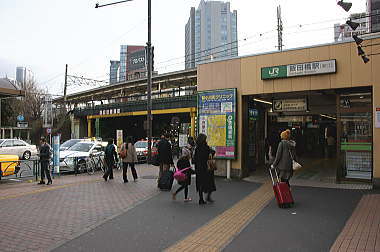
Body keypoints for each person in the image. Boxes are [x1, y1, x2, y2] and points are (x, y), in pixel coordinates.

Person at [193, 133, 216, 205]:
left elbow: (194, 159)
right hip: (206, 169)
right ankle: (208, 196)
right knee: (210, 183)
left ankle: (201, 199)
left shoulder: (197, 148)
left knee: (200, 184)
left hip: (199, 169)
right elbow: (213, 152)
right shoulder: (206, 148)